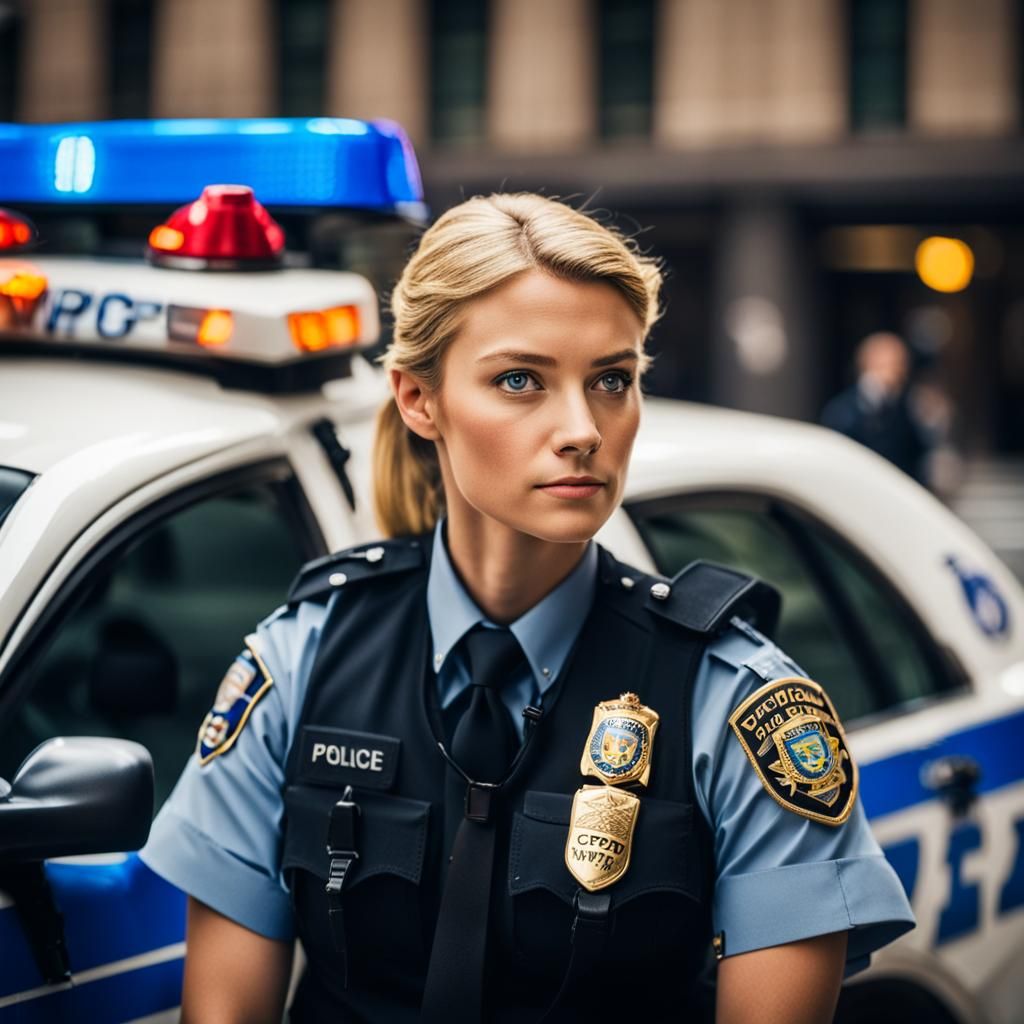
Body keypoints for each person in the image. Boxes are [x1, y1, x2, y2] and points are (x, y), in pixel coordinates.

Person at [141, 194, 914, 1024]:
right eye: (521, 380)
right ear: (418, 399)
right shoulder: (301, 662)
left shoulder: (732, 700)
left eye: (612, 379)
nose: (582, 428)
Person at [820, 331, 936, 483]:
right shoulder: (845, 410)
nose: (898, 371)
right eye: (892, 364)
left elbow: (918, 452)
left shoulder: (906, 406)